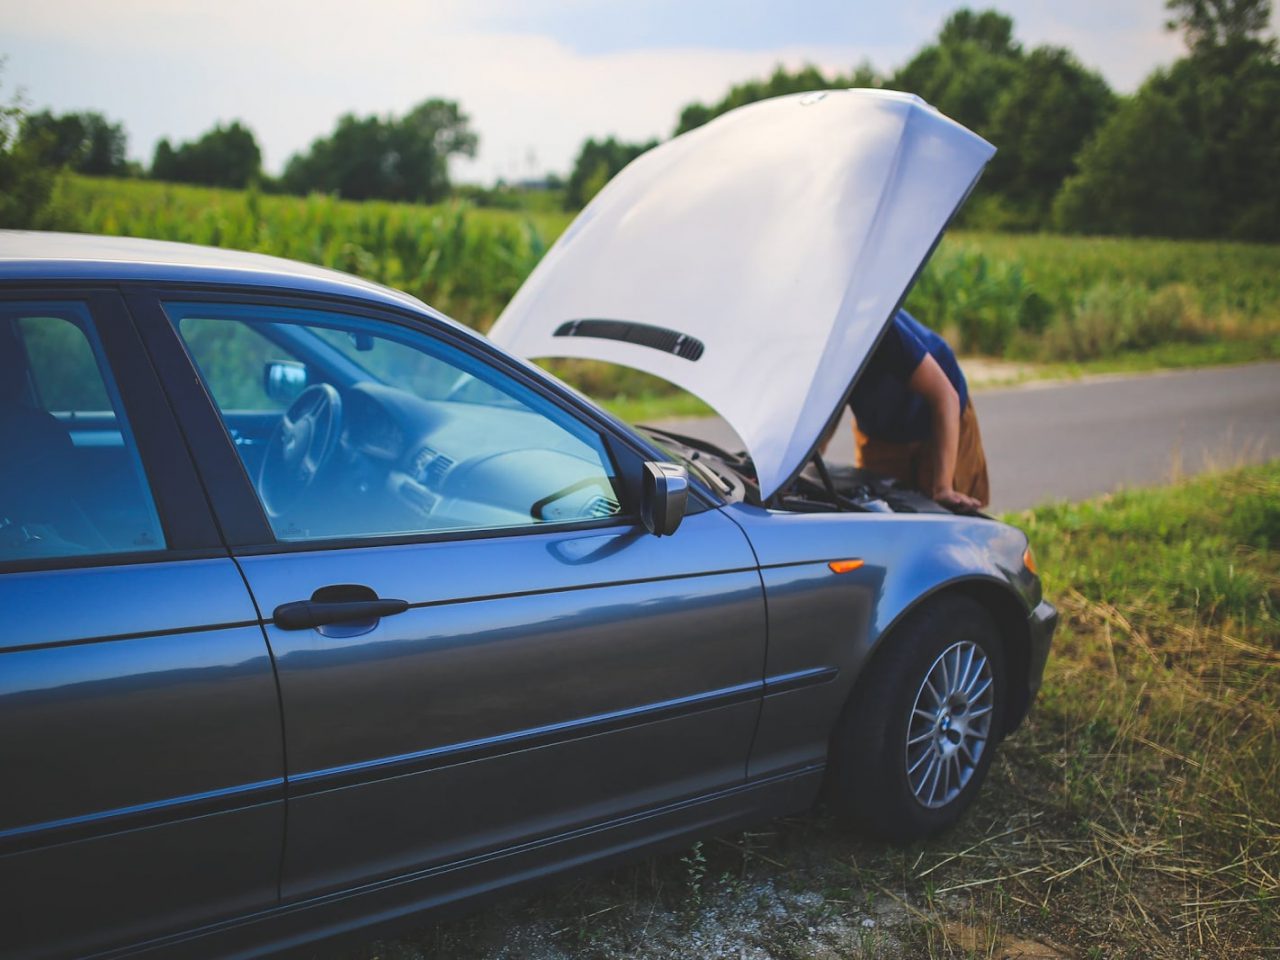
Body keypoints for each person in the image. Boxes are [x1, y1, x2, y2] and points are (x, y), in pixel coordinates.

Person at [848, 309, 989, 511]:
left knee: (946, 510)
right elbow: (825, 409)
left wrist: (943, 487)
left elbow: (945, 397)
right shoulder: (815, 346)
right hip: (880, 427)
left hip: (941, 415)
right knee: (879, 509)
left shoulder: (878, 327)